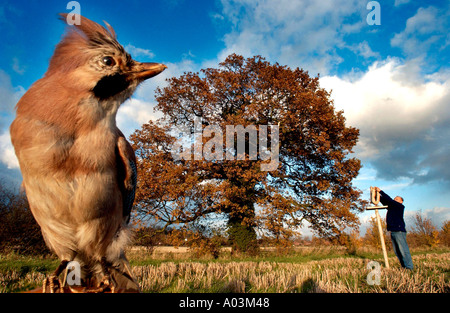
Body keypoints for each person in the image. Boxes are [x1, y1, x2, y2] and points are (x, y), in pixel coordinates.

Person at [374, 187, 413, 270]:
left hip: (399, 231)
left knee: (403, 250)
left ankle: (409, 267)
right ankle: (404, 267)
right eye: (395, 198)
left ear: (401, 201)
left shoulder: (399, 206)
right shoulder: (392, 206)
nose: (395, 200)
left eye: (397, 199)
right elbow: (385, 201)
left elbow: (389, 200)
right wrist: (375, 195)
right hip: (393, 231)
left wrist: (380, 191)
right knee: (397, 251)